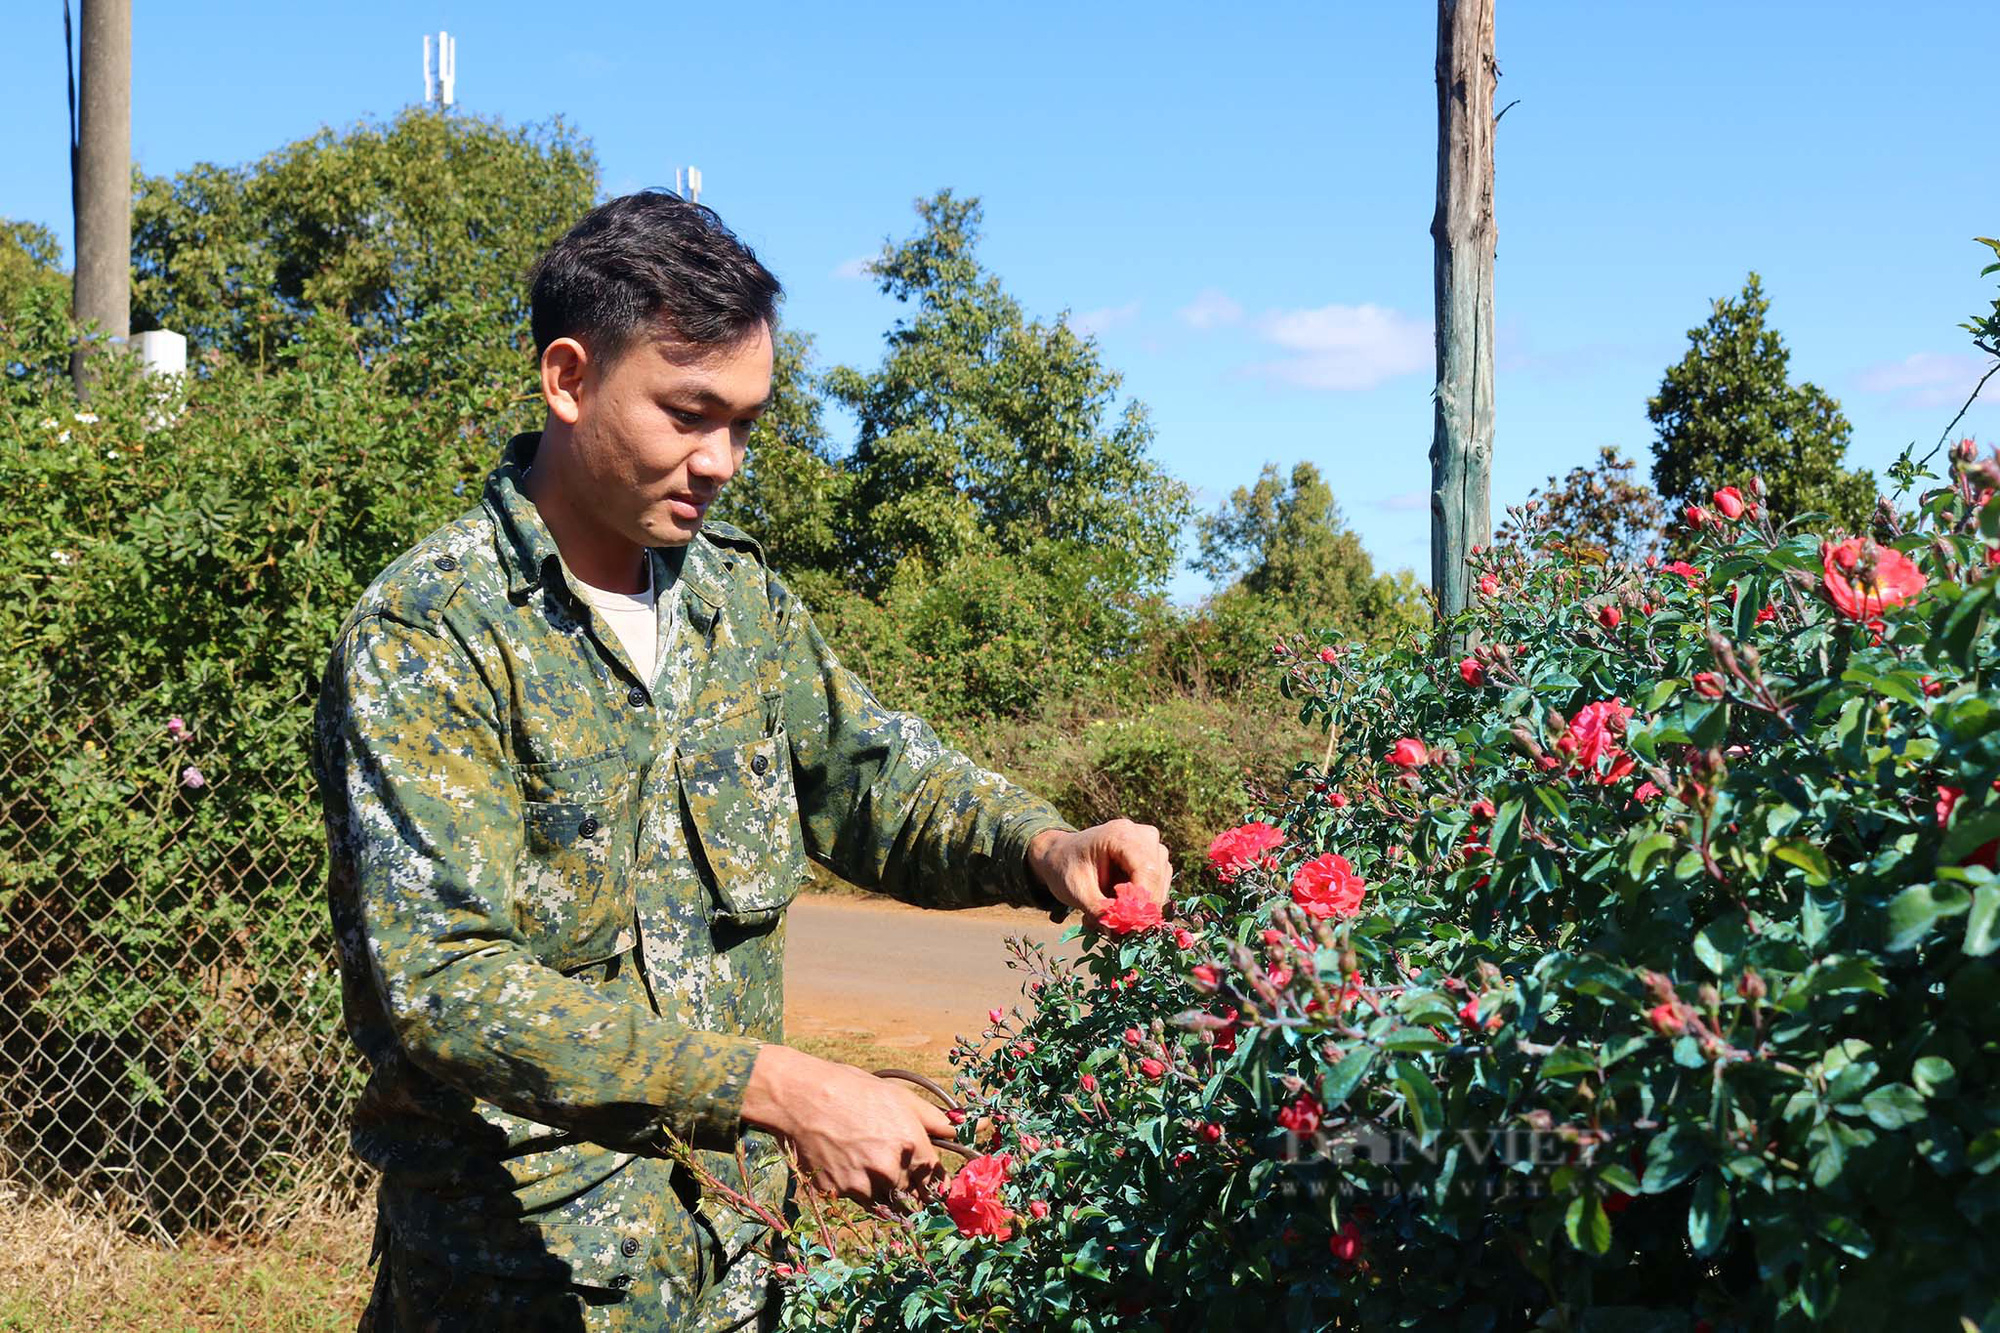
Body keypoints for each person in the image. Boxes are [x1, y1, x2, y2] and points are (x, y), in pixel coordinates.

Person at [312, 190, 1172, 1332]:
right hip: (517, 1277)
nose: (718, 460)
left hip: (734, 1264)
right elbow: (449, 987)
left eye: (745, 423)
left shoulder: (737, 602)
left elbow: (878, 784)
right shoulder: (434, 632)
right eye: (686, 413)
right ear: (567, 379)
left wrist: (1045, 845)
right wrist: (780, 1087)